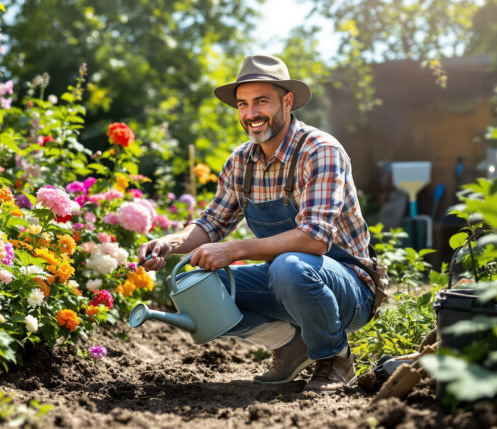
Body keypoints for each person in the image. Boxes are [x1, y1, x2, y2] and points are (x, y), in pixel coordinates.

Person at [138, 55, 376, 392]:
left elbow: (314, 240)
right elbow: (211, 223)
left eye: (261, 101)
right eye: (243, 104)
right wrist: (169, 243)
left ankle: (335, 358)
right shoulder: (240, 161)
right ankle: (292, 345)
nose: (251, 114)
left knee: (289, 267)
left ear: (287, 101)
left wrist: (235, 249)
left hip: (349, 288)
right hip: (288, 278)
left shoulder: (319, 150)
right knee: (198, 287)